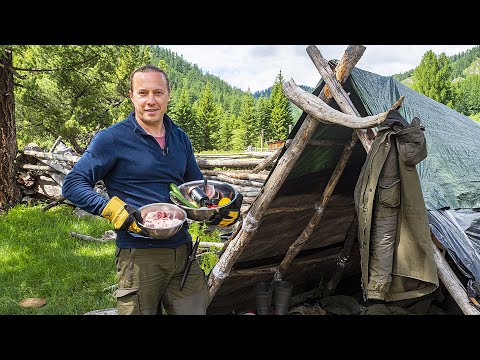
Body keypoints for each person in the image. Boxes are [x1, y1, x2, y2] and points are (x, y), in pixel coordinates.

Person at [62, 64, 211, 315]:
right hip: (140, 255)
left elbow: (192, 186)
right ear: (132, 96)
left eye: (157, 92)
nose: (151, 101)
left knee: (195, 310)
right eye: (143, 93)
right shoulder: (111, 139)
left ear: (168, 95)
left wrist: (213, 207)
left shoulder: (180, 137)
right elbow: (73, 184)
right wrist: (112, 209)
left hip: (183, 251)